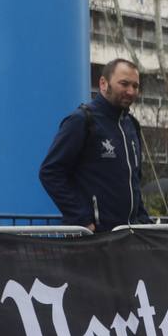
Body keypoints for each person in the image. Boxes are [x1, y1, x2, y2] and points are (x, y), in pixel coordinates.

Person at [39, 58, 152, 232]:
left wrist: (143, 221)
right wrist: (82, 219)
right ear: (103, 83)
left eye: (135, 86)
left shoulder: (132, 125)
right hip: (92, 240)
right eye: (124, 84)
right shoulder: (82, 120)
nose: (130, 91)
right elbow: (50, 172)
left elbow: (134, 181)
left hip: (128, 238)